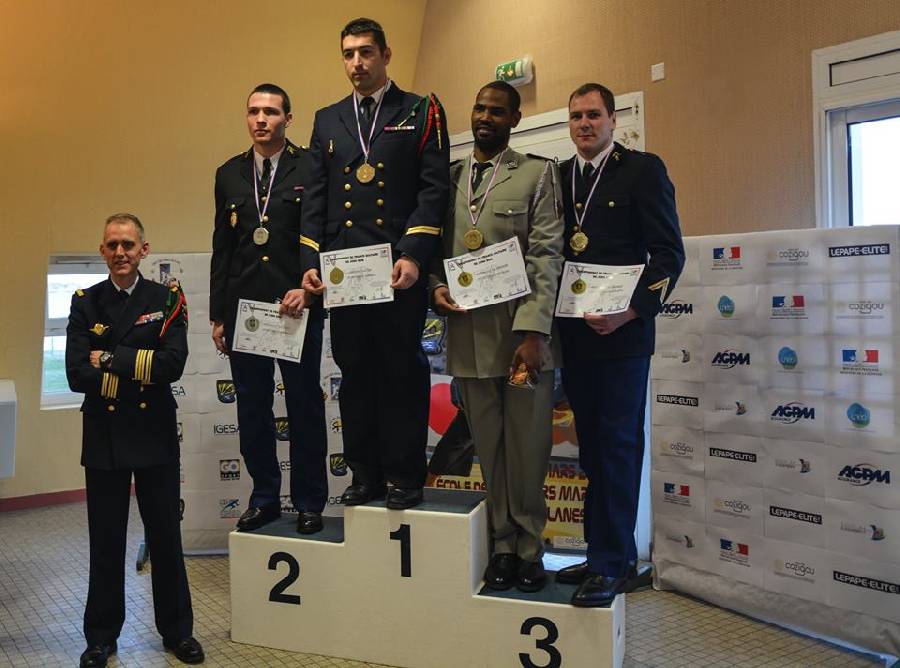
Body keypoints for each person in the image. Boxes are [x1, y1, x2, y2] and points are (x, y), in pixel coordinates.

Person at [300, 17, 449, 509]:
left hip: (396, 271)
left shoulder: (420, 110)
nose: (357, 63)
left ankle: (404, 474)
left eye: (366, 52)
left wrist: (413, 254)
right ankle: (365, 473)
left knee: (400, 372)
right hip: (345, 274)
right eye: (348, 54)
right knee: (355, 373)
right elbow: (315, 198)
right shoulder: (327, 118)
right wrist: (310, 260)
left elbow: (433, 190)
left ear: (386, 54)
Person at [554, 83, 685, 606]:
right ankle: (605, 554)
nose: (584, 124)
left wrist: (630, 311)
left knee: (617, 449)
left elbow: (668, 254)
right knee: (592, 451)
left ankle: (612, 565)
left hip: (624, 337)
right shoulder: (559, 177)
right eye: (576, 116)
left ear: (613, 119)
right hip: (575, 336)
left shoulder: (642, 170)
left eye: (593, 115)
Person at [431, 81, 563, 592]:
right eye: (479, 108)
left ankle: (530, 549)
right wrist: (435, 288)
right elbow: (434, 248)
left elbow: (546, 255)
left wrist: (533, 331)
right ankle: (502, 546)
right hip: (469, 337)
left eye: (497, 111)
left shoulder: (536, 173)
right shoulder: (449, 178)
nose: (485, 117)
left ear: (514, 119)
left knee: (527, 450)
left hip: (519, 341)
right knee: (490, 450)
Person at [67, 214, 203, 666]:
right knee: (105, 540)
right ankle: (101, 638)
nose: (120, 252)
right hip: (103, 435)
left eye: (128, 244)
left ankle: (177, 632)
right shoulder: (85, 301)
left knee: (165, 537)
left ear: (144, 250)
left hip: (154, 432)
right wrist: (137, 367)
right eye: (112, 245)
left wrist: (108, 358)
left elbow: (172, 366)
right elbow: (76, 374)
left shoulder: (166, 299)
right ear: (102, 251)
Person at [210, 83, 328, 534]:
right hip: (246, 312)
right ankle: (264, 497)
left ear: (288, 119)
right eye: (254, 111)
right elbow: (223, 248)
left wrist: (309, 289)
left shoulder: (310, 166)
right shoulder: (228, 174)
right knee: (253, 410)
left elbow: (323, 233)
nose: (261, 119)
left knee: (304, 407)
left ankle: (310, 501)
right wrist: (219, 315)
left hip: (296, 307)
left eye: (272, 112)